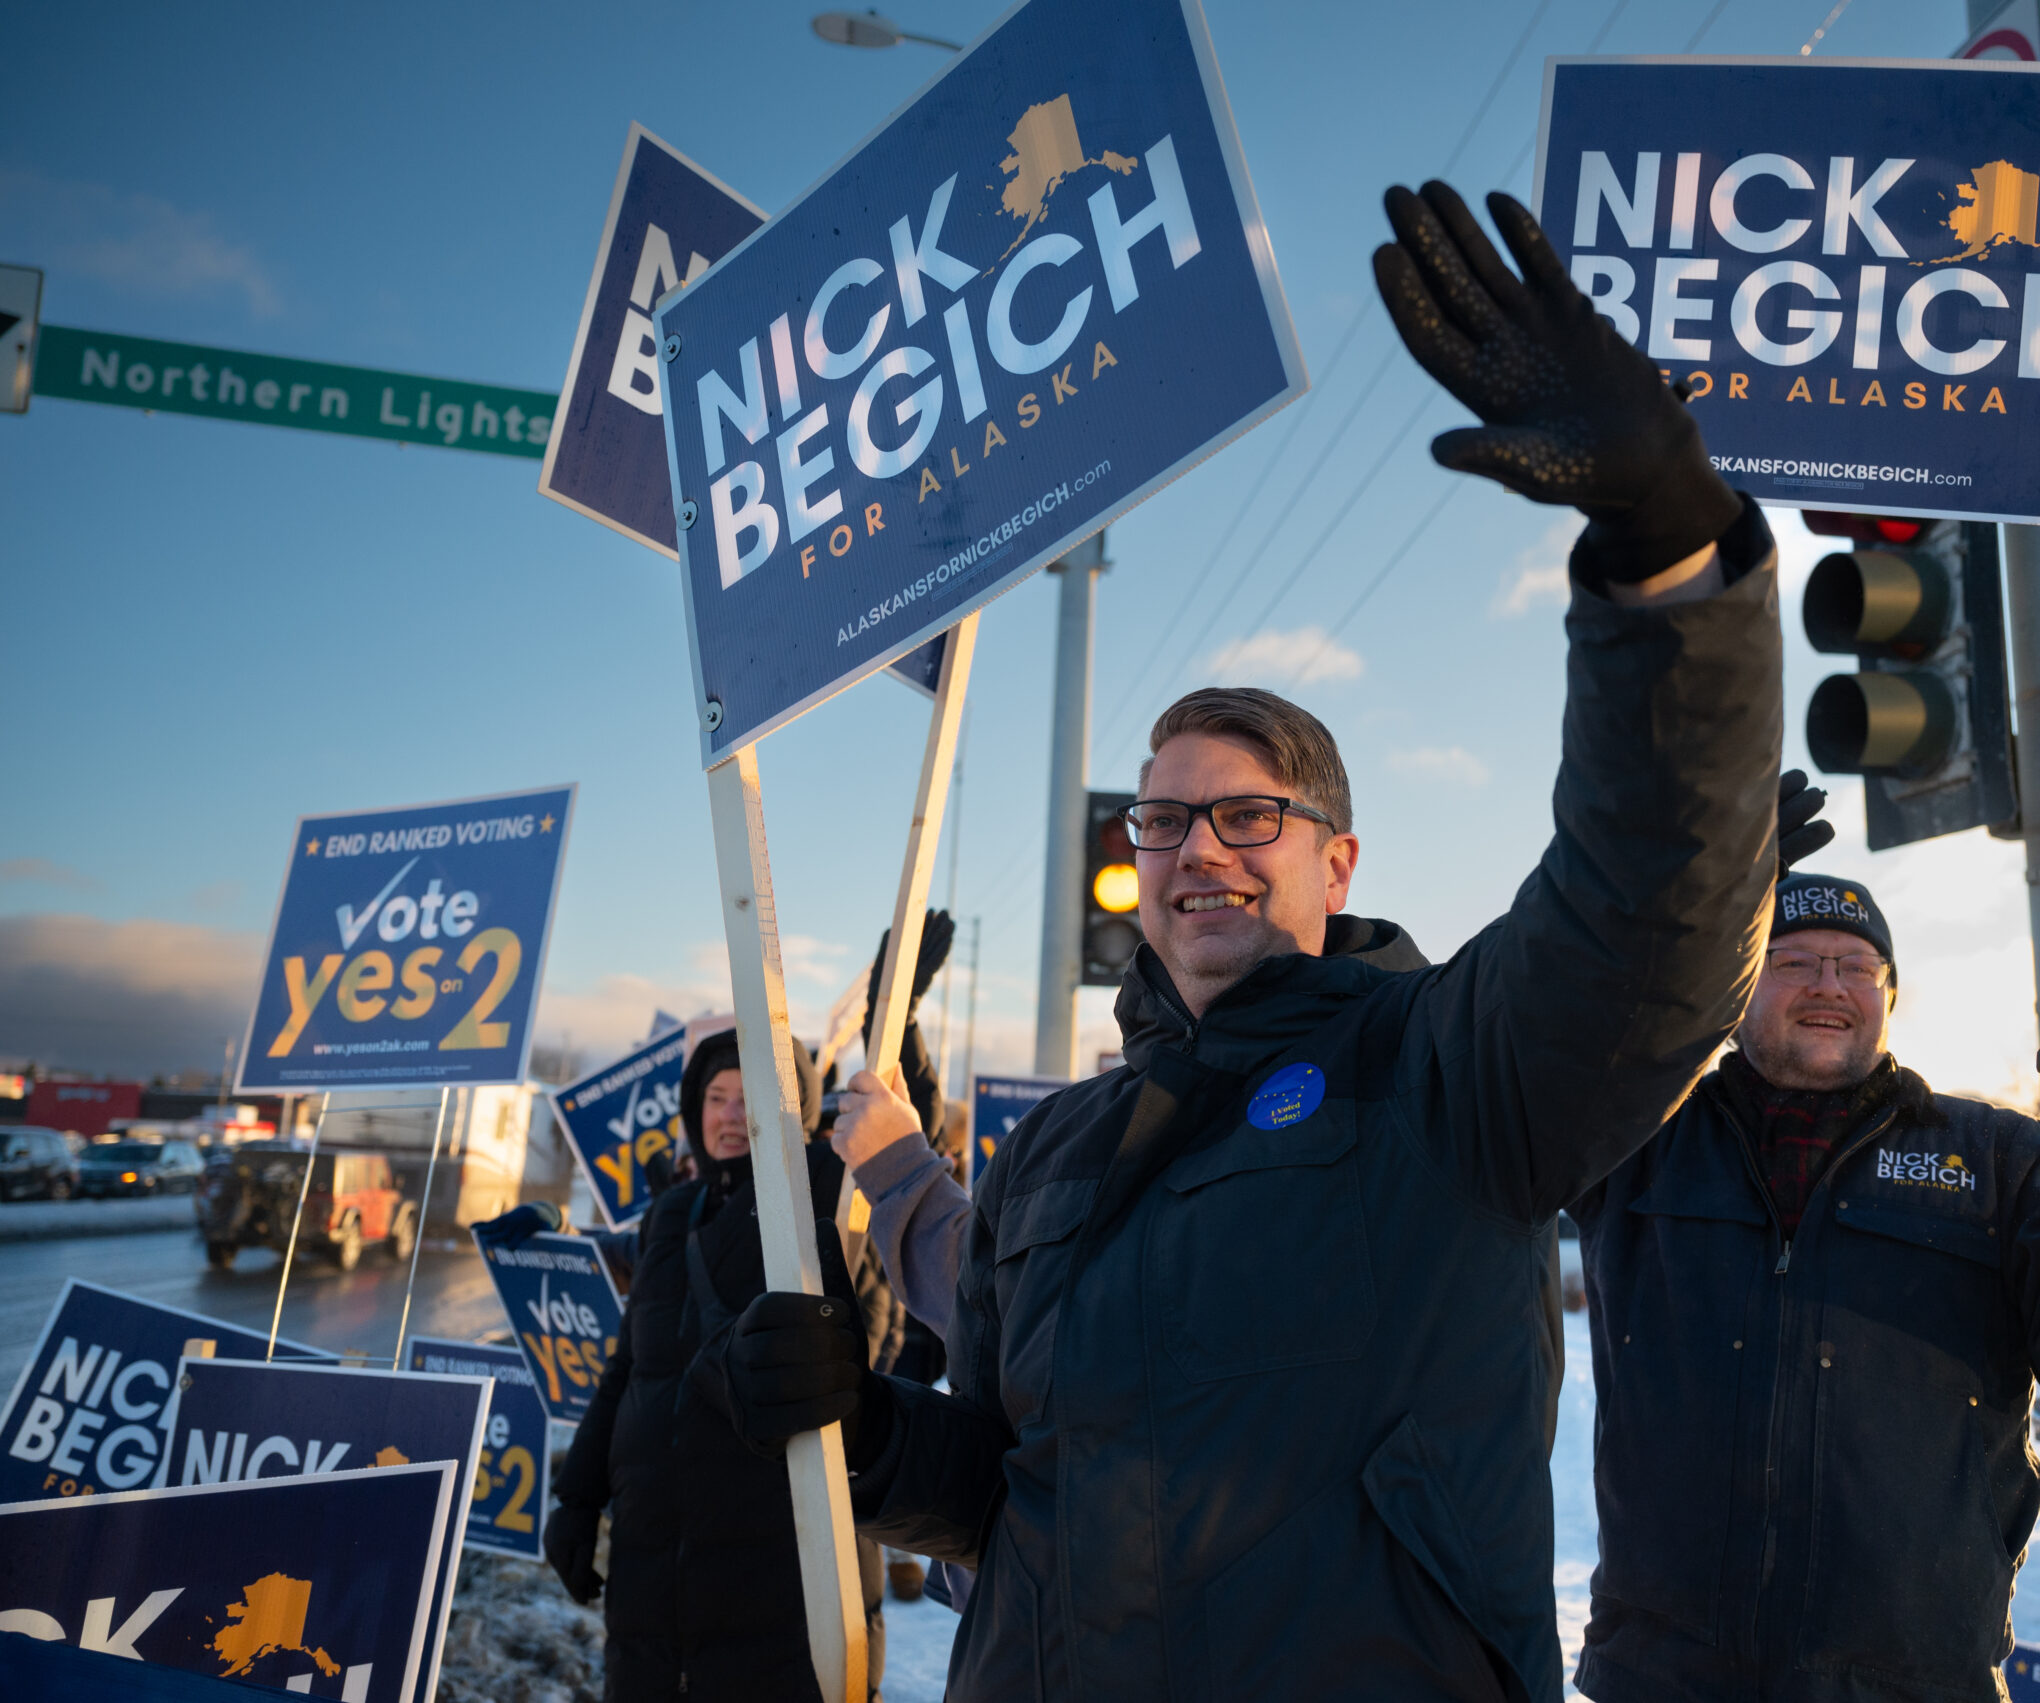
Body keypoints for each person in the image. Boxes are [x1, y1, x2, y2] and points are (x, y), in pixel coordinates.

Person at [708, 180, 1787, 1701]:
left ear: (1336, 858)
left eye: (1246, 816)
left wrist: (1667, 551)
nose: (1196, 849)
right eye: (1160, 822)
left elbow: (1654, 908)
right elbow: (1022, 1483)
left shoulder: (1448, 1074)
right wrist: (871, 1435)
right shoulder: (1063, 1151)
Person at [1566, 865, 2040, 1702]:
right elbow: (1542, 1042)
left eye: (1856, 967)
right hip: (1660, 1680)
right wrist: (1671, 900)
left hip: (1915, 1684)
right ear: (1730, 985)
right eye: (1793, 961)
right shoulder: (1638, 1144)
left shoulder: (1997, 1160)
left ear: (1889, 993)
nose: (1829, 986)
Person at [540, 1024, 898, 1703]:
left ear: (792, 1111)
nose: (731, 1115)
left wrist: (899, 1029)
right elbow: (629, 1369)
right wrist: (577, 1499)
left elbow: (872, 1338)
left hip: (778, 1572)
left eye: (750, 1097)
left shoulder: (824, 1197)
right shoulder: (670, 1213)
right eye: (716, 1096)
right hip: (652, 1569)